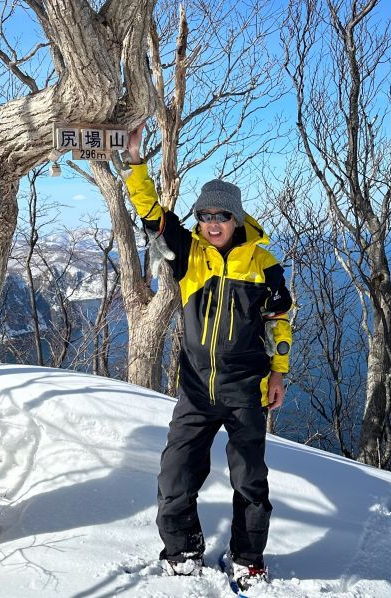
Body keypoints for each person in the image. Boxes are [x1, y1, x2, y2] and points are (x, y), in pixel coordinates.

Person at [123, 125, 292, 591]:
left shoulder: (264, 265)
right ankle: (183, 549)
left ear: (237, 219)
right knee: (176, 474)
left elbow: (280, 320)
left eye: (222, 215)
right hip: (196, 389)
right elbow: (151, 214)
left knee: (250, 481)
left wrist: (279, 373)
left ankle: (247, 557)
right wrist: (136, 164)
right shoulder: (187, 254)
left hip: (245, 390)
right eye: (204, 215)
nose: (212, 222)